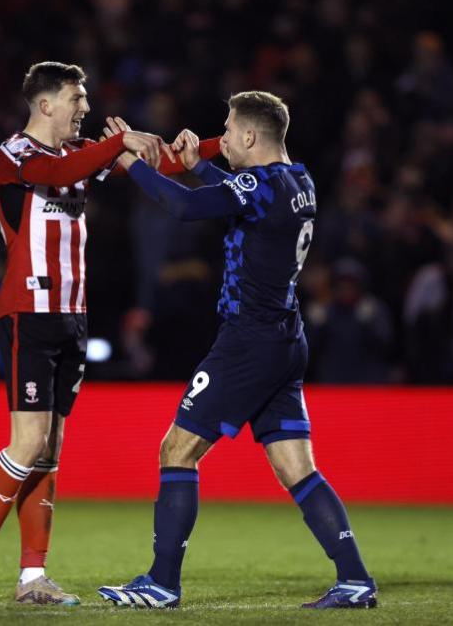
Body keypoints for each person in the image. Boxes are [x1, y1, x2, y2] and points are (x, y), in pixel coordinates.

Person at [0, 61, 220, 607]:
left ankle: (32, 580)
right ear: (45, 104)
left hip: (72, 317)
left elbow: (162, 162)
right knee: (26, 443)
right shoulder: (17, 156)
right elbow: (57, 175)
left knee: (49, 451)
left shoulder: (77, 160)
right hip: (28, 310)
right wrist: (121, 140)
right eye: (76, 98)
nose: (85, 107)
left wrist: (219, 146)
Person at [96, 91, 378, 610]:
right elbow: (243, 194)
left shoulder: (262, 184)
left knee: (177, 450)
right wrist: (198, 165)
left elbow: (182, 207)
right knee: (298, 467)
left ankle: (161, 583)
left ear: (249, 136)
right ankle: (356, 579)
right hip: (286, 338)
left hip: (247, 341)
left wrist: (127, 159)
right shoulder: (301, 181)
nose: (221, 137)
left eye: (227, 129)